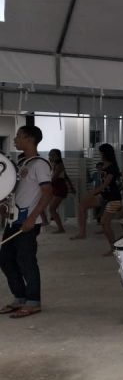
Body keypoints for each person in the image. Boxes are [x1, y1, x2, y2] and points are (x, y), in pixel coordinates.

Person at [0, 125, 52, 318]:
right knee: (5, 259)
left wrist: (32, 218)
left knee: (26, 260)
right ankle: (20, 297)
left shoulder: (40, 164)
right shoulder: (22, 163)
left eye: (19, 136)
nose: (15, 139)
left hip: (28, 222)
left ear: (30, 139)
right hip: (13, 221)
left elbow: (47, 193)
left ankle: (33, 301)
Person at [70, 143, 123, 253]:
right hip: (104, 195)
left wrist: (91, 193)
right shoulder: (104, 165)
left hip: (113, 198)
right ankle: (82, 233)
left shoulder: (112, 167)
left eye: (100, 153)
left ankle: (113, 248)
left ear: (105, 153)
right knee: (82, 206)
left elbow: (105, 185)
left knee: (105, 223)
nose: (99, 155)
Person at [47, 148, 75, 234]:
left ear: (58, 156)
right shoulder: (56, 165)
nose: (50, 157)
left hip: (59, 188)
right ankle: (57, 226)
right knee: (51, 208)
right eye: (50, 155)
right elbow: (66, 177)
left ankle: (61, 228)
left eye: (52, 155)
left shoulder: (59, 165)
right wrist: (71, 187)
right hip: (56, 187)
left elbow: (54, 179)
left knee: (52, 209)